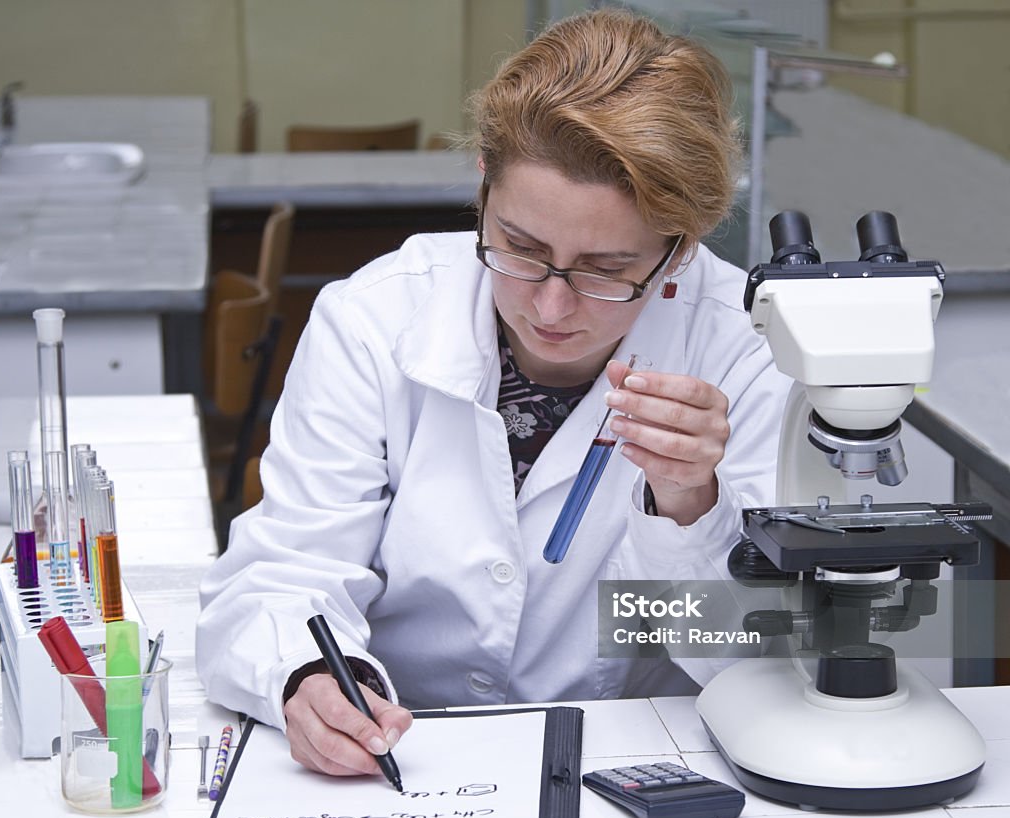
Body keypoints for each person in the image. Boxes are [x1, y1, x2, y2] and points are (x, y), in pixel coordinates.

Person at [196, 9, 791, 778]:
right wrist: (310, 678)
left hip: (629, 778)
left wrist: (689, 506)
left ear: (683, 245)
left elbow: (757, 665)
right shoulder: (375, 322)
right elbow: (283, 575)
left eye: (607, 270)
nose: (550, 308)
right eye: (521, 247)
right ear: (483, 182)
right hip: (404, 771)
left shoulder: (748, 350)